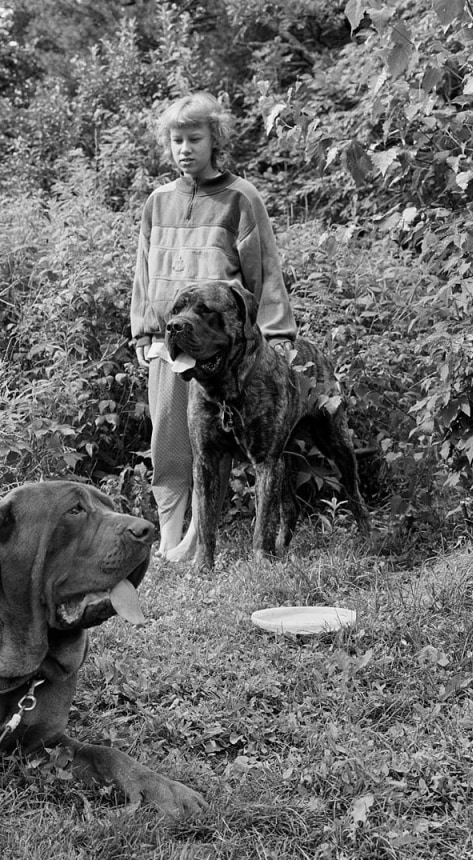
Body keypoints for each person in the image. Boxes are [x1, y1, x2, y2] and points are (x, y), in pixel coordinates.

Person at [129, 91, 297, 562]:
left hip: (222, 349)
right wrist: (145, 330)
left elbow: (263, 268)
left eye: (194, 138)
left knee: (216, 439)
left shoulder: (240, 197)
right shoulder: (158, 201)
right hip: (170, 343)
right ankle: (169, 531)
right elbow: (143, 271)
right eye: (176, 140)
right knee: (169, 437)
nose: (184, 148)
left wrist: (277, 334)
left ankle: (196, 538)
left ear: (215, 139)